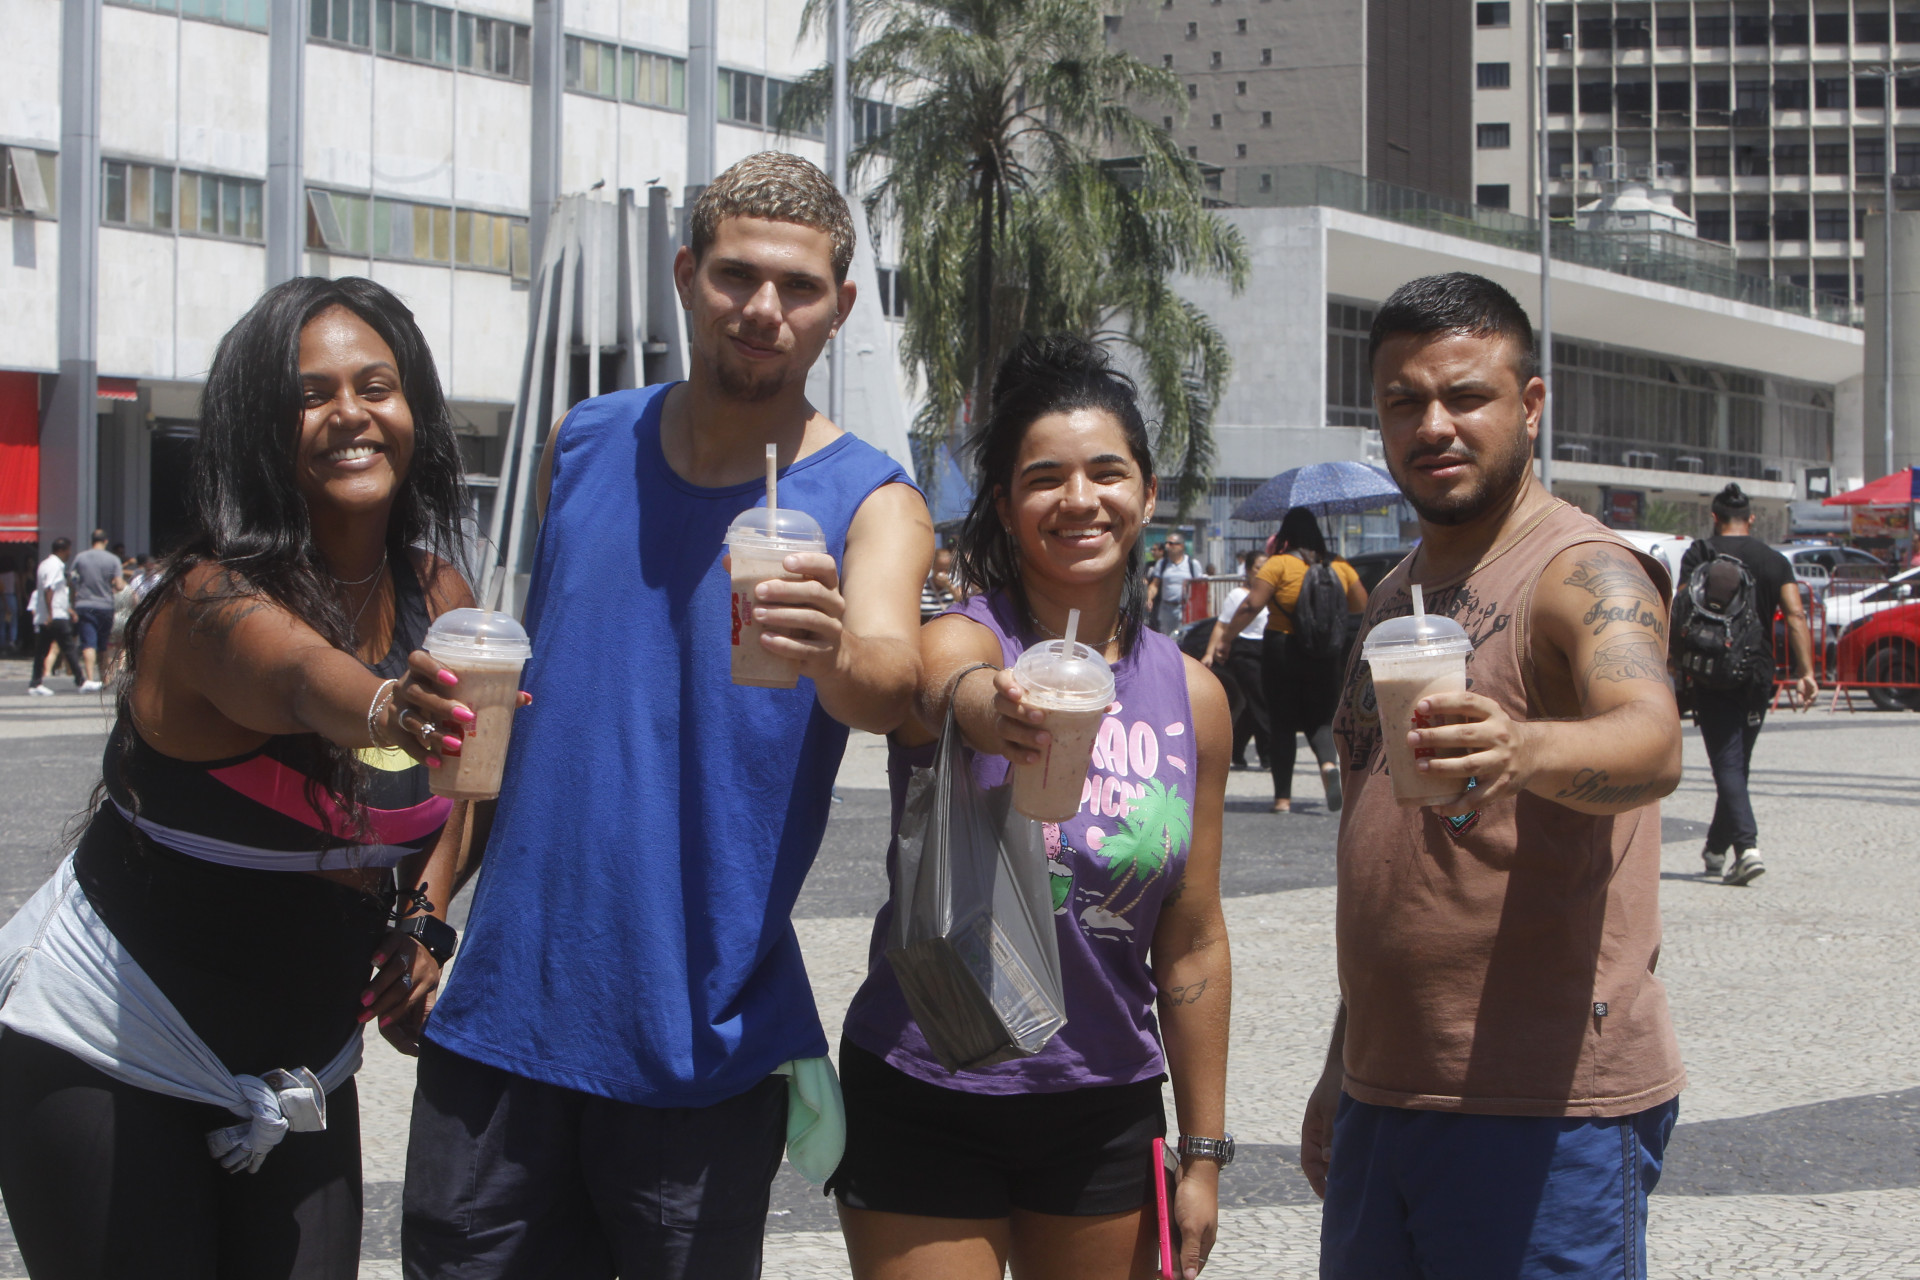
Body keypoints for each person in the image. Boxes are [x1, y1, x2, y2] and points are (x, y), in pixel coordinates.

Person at [402, 153, 933, 1280]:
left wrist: (833, 647)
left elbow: (890, 679)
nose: (764, 309)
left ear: (839, 307)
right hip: (503, 1019)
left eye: (799, 288)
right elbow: (525, 713)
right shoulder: (585, 440)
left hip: (698, 1043)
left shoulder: (872, 497)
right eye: (738, 275)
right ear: (688, 276)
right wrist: (432, 897)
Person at [0, 276, 486, 1276]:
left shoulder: (440, 593)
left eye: (375, 384)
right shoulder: (206, 601)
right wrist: (391, 706)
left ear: (414, 411)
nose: (350, 412)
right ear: (258, 431)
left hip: (302, 1060)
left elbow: (466, 787)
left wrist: (424, 920)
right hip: (107, 1039)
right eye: (311, 394)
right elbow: (303, 679)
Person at [1294, 273, 1686, 1280]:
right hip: (1391, 1088)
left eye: (1465, 395)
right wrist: (1346, 1060)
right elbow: (1394, 857)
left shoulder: (1580, 569)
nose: (1434, 424)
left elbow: (1652, 741)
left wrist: (1522, 748)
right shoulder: (1397, 594)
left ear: (1530, 404)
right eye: (1403, 401)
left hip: (1542, 1104)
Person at [833, 335, 1232, 1280]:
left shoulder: (1193, 696)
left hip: (1103, 1099)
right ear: (1008, 508)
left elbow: (1194, 936)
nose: (1079, 499)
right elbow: (938, 687)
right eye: (1044, 478)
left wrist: (1206, 1153)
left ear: (1145, 492)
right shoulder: (969, 633)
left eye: (1108, 472)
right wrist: (990, 706)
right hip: (925, 1073)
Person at [1674, 483, 1815, 887]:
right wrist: (1806, 673)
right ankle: (1716, 851)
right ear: (1751, 519)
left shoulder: (1700, 553)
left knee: (1728, 764)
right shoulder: (1773, 560)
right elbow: (1795, 615)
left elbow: (1681, 605)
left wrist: (1671, 662)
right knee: (1736, 764)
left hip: (1709, 671)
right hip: (1756, 675)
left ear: (1714, 518)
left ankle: (1747, 849)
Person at [1202, 508, 1367, 814]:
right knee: (1321, 720)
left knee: (1282, 724)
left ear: (1286, 534)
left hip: (1282, 649)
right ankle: (1329, 764)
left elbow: (1252, 604)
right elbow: (1361, 604)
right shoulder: (1339, 565)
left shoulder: (1278, 565)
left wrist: (1226, 637)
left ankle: (1282, 799)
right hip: (1326, 654)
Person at [1215, 550, 1273, 769]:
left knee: (1251, 707)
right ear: (1248, 570)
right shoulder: (1239, 596)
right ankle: (1268, 755)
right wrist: (1215, 648)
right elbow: (1222, 625)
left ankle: (1237, 751)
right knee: (1260, 702)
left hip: (1267, 647)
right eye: (1259, 568)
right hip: (1245, 649)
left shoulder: (1273, 593)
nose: (1263, 573)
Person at [69, 527, 126, 690]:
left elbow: (72, 580)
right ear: (105, 541)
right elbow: (119, 584)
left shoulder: (80, 558)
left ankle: (90, 678)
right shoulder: (113, 559)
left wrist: (75, 598)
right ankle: (105, 679)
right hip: (105, 605)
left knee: (88, 643)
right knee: (103, 645)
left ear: (92, 541)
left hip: (85, 604)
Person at [27, 537, 83, 696]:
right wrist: (51, 614)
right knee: (68, 647)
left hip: (51, 614)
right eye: (68, 550)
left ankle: (35, 682)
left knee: (42, 650)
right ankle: (81, 680)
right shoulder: (54, 566)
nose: (69, 553)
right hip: (56, 615)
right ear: (62, 550)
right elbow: (49, 589)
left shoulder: (45, 564)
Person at [1145, 531, 1203, 634]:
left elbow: (1200, 588)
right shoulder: (1162, 564)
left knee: (1184, 639)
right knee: (1167, 639)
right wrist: (1149, 598)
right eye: (1167, 543)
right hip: (1166, 609)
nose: (1167, 546)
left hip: (1185, 609)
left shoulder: (1192, 564)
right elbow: (1154, 584)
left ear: (1181, 546)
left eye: (1171, 543)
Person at [922, 546, 960, 621]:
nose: (943, 573)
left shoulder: (955, 583)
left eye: (946, 570)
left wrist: (949, 586)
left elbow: (963, 602)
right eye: (940, 569)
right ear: (932, 567)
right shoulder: (922, 587)